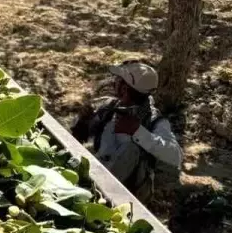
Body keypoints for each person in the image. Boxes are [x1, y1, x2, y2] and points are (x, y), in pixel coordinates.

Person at [70, 60, 183, 201]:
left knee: (132, 148)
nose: (114, 82)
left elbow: (174, 156)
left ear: (124, 89)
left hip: (125, 197)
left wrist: (137, 131)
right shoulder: (108, 106)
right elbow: (81, 137)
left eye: (119, 80)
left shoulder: (154, 121)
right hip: (93, 176)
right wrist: (82, 121)